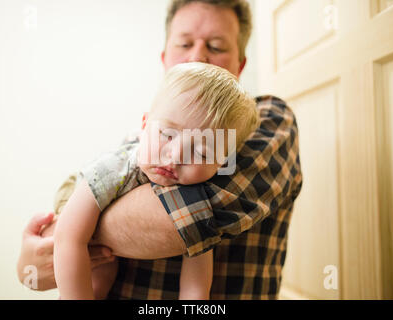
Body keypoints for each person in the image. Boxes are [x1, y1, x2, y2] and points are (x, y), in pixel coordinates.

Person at [17, 0, 303, 299]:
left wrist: (74, 229)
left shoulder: (266, 119)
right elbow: (40, 272)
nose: (198, 56)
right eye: (184, 43)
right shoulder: (132, 148)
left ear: (241, 64)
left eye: (217, 47)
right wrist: (29, 267)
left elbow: (186, 222)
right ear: (166, 58)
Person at [53, 62, 259, 300]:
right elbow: (68, 238)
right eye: (167, 134)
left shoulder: (199, 198)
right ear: (144, 125)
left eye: (202, 152)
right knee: (97, 275)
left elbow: (197, 281)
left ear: (221, 164)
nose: (176, 155)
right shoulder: (113, 169)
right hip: (75, 197)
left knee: (104, 272)